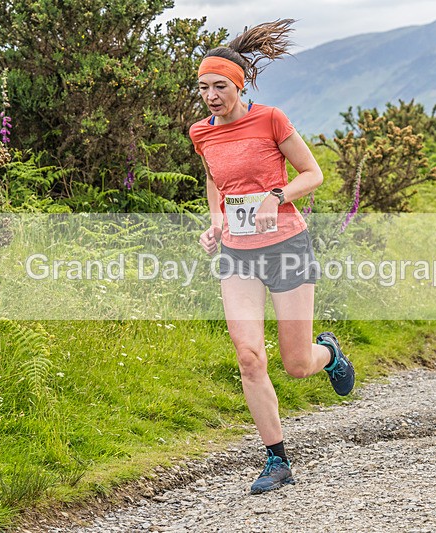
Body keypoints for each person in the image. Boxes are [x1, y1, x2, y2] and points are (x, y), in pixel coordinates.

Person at [189, 19, 355, 494]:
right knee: (248, 357)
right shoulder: (202, 132)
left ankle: (331, 354)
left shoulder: (271, 119)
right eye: (204, 88)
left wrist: (276, 195)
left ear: (239, 85)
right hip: (237, 254)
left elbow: (313, 173)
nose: (211, 96)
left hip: (286, 246)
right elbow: (215, 180)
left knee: (297, 363)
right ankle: (276, 460)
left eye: (220, 86)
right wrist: (217, 220)